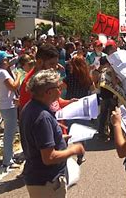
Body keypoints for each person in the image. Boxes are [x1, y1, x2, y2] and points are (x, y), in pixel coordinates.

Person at [20, 69, 85, 198]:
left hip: (39, 178)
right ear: (48, 92)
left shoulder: (30, 107)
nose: (60, 91)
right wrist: (73, 150)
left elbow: (37, 139)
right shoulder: (42, 117)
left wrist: (59, 138)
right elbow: (49, 158)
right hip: (47, 182)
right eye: (58, 87)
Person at [0, 51, 22, 169]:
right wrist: (19, 76)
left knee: (10, 133)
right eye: (7, 59)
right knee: (9, 134)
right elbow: (13, 86)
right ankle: (7, 160)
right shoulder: (2, 73)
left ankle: (9, 156)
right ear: (3, 61)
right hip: (8, 106)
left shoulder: (2, 72)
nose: (9, 61)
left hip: (8, 105)